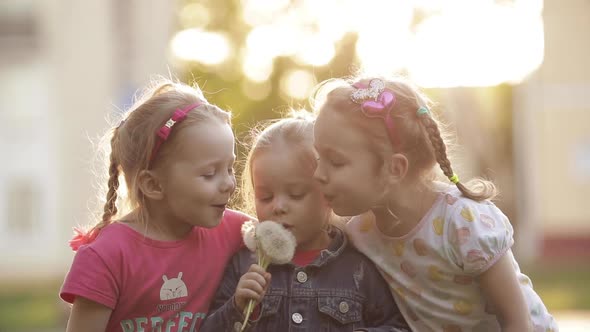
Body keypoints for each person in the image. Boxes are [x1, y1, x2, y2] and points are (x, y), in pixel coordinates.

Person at [312, 77, 558, 332]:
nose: (318, 174)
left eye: (336, 162)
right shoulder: (360, 232)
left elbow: (517, 321)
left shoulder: (463, 223)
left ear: (394, 168)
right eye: (318, 158)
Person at [60, 78, 251, 332]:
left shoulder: (234, 230)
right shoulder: (106, 256)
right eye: (209, 174)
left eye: (230, 168)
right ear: (153, 185)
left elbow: (296, 234)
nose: (228, 184)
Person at [201, 111, 410, 332]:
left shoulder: (359, 267)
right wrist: (237, 307)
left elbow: (397, 326)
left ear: (328, 194)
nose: (278, 206)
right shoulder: (244, 265)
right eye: (266, 197)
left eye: (296, 194)